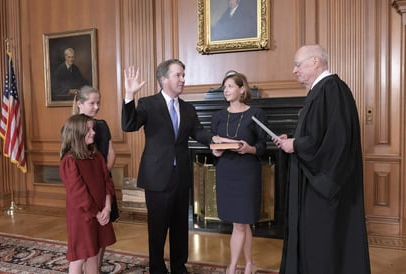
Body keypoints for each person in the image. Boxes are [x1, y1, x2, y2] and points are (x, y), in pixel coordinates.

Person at [274, 44, 371, 274]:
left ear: (315, 62)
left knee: (323, 243)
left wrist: (296, 144)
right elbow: (317, 134)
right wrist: (294, 139)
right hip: (315, 183)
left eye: (298, 65)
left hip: (325, 188)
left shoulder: (332, 89)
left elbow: (334, 142)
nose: (294, 70)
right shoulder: (321, 91)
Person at [121, 60, 221, 274]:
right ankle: (157, 268)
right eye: (178, 75)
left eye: (183, 75)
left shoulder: (188, 108)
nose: (183, 79)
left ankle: (179, 266)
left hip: (181, 176)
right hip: (157, 177)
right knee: (157, 228)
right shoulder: (148, 104)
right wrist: (129, 96)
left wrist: (214, 141)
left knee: (179, 227)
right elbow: (129, 125)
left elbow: (198, 132)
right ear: (164, 79)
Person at [211, 71, 267, 274]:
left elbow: (263, 144)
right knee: (242, 223)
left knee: (241, 224)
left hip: (247, 172)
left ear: (242, 89)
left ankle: (233, 267)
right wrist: (216, 151)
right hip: (226, 172)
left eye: (230, 86)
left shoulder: (256, 113)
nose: (225, 90)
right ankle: (250, 263)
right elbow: (214, 146)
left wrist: (249, 148)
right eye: (224, 87)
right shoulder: (217, 116)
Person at [60, 114, 116, 274]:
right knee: (79, 257)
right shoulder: (69, 161)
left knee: (94, 253)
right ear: (77, 134)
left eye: (93, 128)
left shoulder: (97, 156)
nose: (93, 132)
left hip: (101, 212)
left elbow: (107, 181)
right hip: (82, 217)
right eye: (88, 129)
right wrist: (97, 213)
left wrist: (107, 207)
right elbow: (79, 193)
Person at [72, 85, 117, 269]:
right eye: (92, 103)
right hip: (85, 189)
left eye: (98, 103)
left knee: (103, 231)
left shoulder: (102, 125)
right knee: (87, 235)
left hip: (104, 184)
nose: (96, 107)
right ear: (79, 104)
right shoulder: (72, 127)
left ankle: (95, 268)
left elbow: (111, 153)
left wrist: (102, 176)